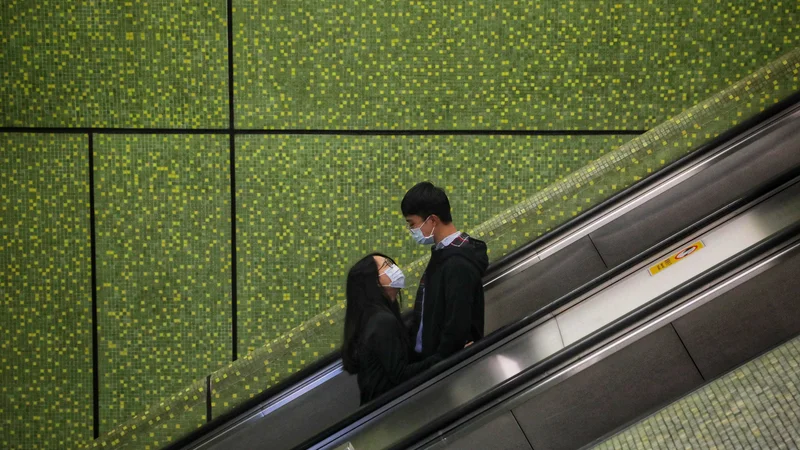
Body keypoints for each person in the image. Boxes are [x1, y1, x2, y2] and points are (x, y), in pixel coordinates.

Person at [402, 181, 489, 361]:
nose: (412, 231)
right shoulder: (442, 254)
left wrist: (437, 364)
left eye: (412, 224)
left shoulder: (457, 264)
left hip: (442, 367)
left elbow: (456, 325)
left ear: (432, 220)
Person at [342, 253, 441, 405]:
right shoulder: (381, 321)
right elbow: (400, 375)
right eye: (387, 266)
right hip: (387, 410)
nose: (394, 268)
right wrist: (444, 357)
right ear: (374, 282)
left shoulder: (376, 317)